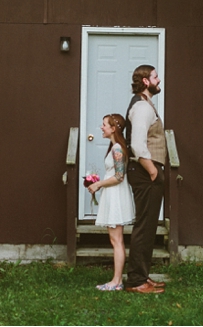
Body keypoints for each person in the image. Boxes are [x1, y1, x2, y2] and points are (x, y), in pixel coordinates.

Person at [124, 65, 168, 294]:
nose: (159, 79)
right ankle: (135, 281)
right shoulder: (142, 106)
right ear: (145, 81)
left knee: (149, 225)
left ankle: (142, 275)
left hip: (146, 171)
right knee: (144, 225)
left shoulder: (146, 104)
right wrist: (153, 171)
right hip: (145, 172)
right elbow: (138, 145)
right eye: (155, 76)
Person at [86, 113, 135, 291]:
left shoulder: (117, 149)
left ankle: (117, 281)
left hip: (115, 196)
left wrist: (98, 184)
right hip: (112, 193)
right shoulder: (115, 147)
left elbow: (119, 176)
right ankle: (117, 280)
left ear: (113, 129)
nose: (101, 127)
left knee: (116, 241)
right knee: (117, 240)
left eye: (104, 124)